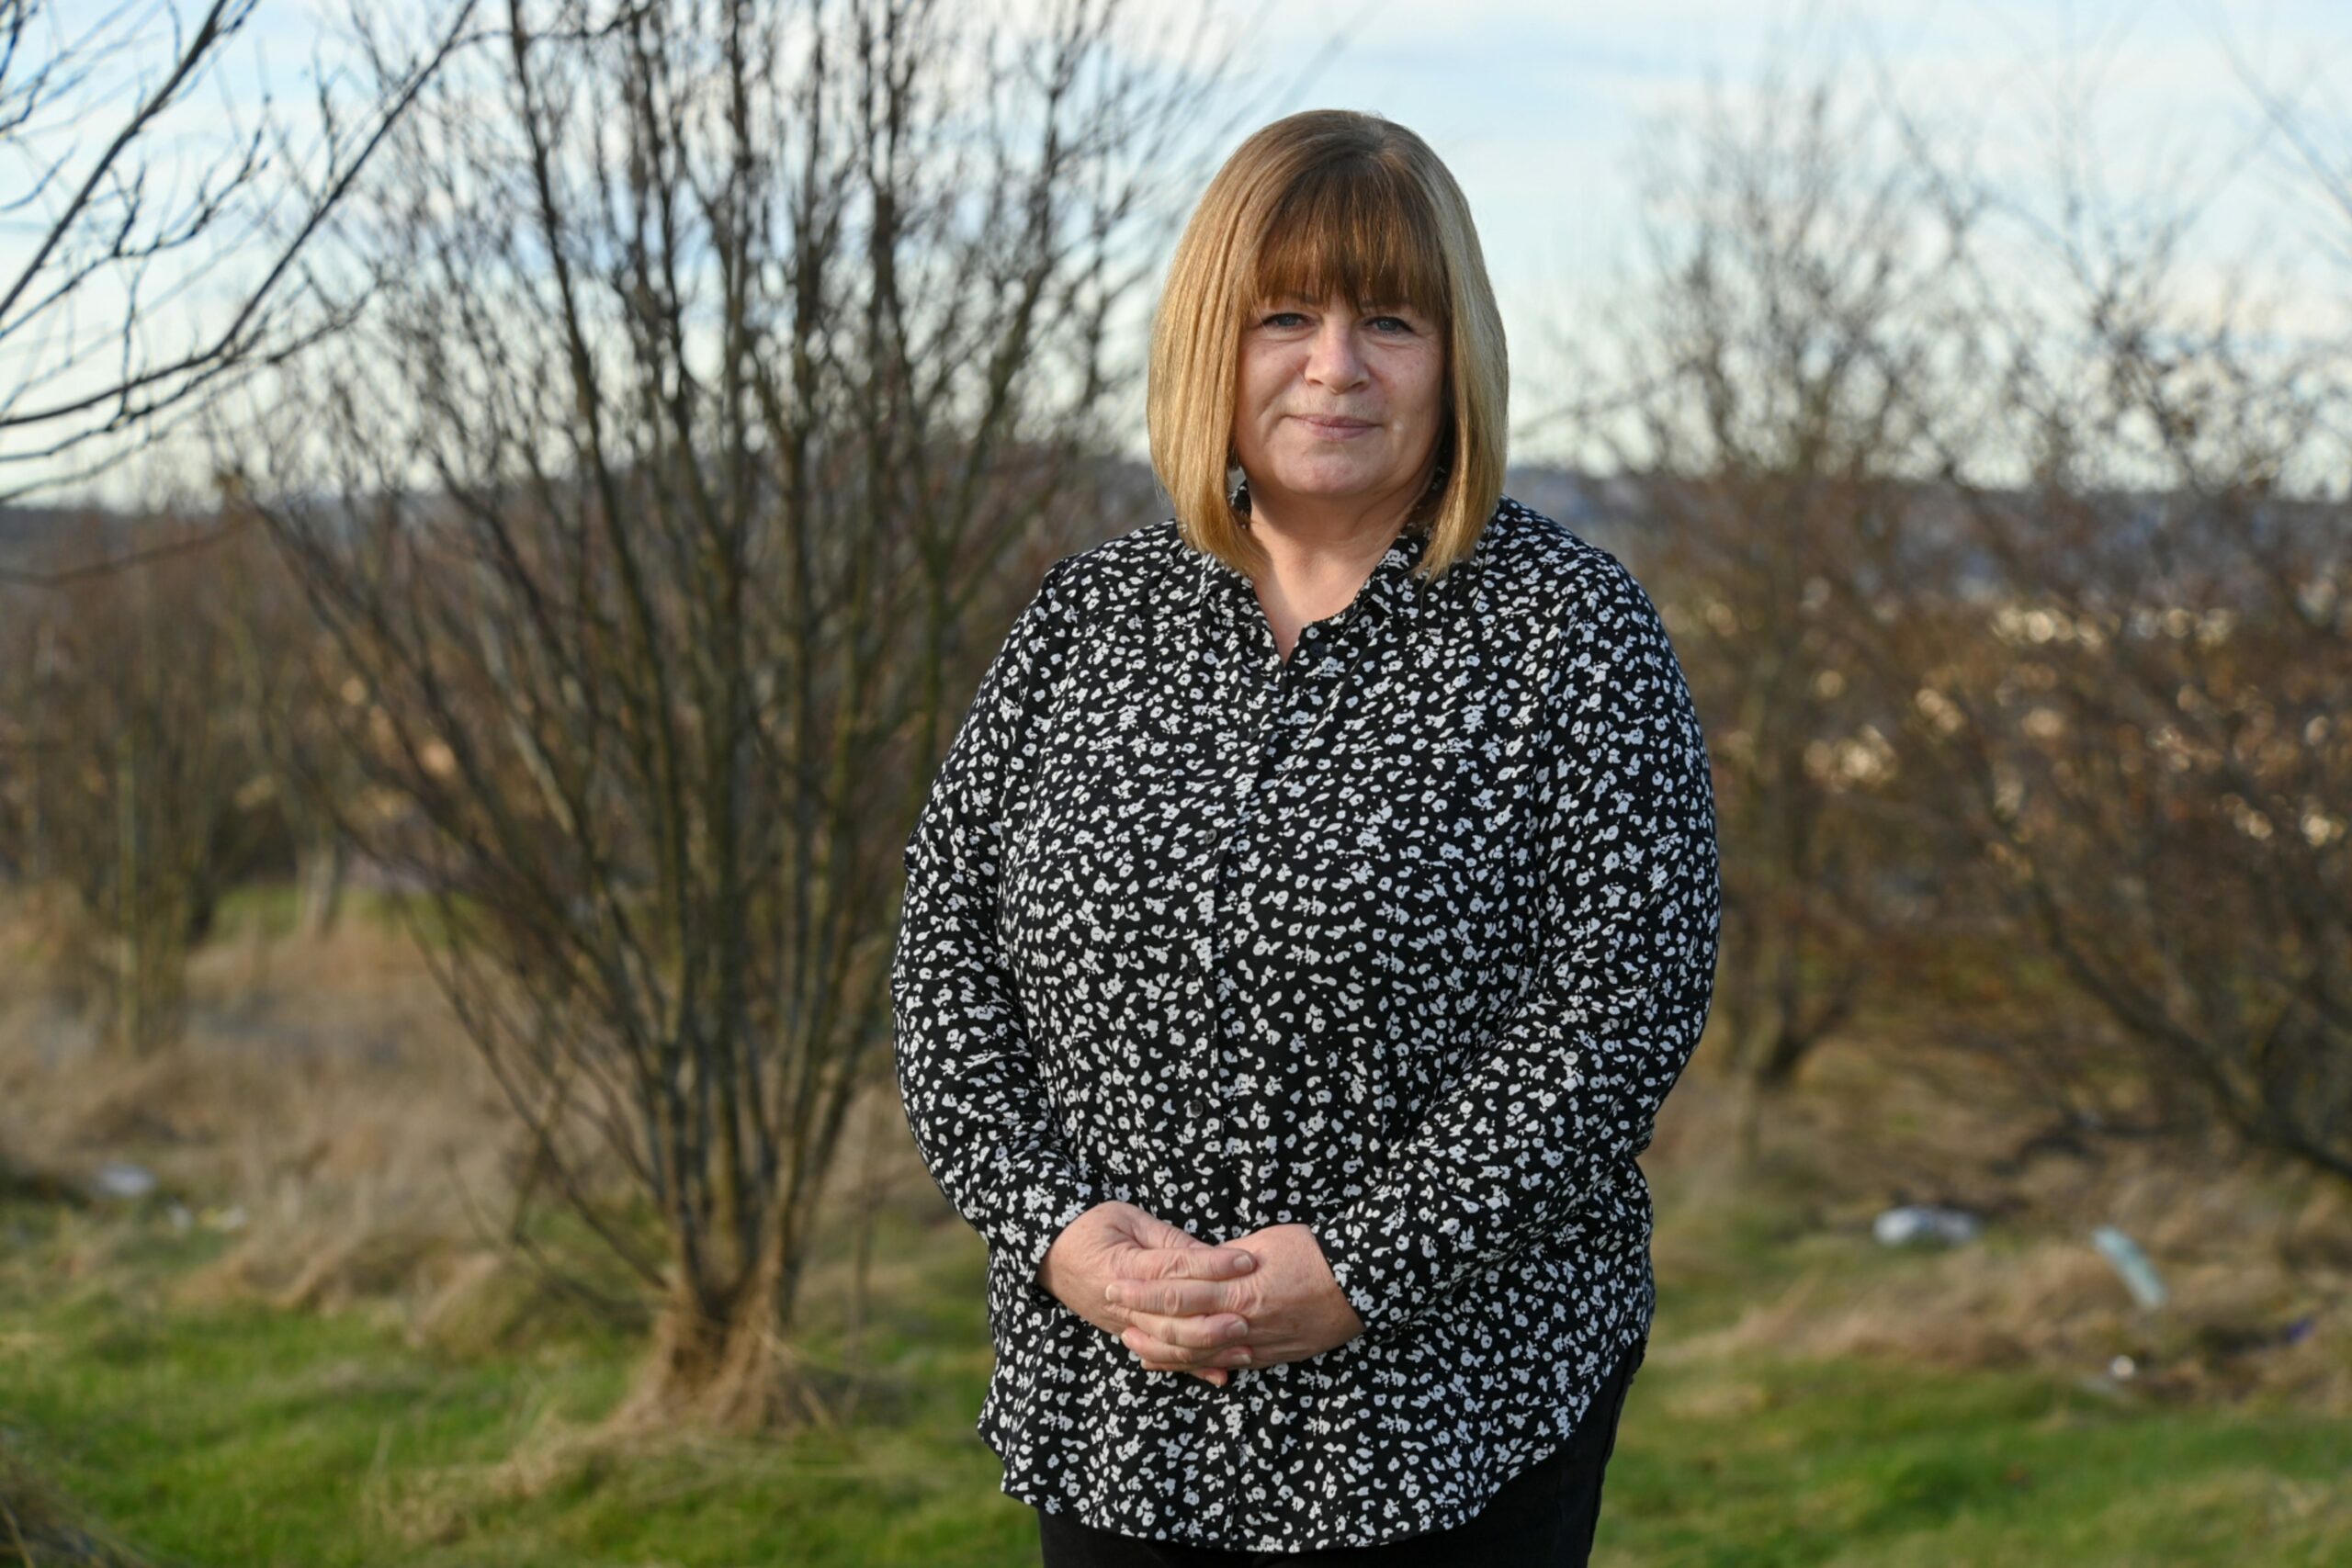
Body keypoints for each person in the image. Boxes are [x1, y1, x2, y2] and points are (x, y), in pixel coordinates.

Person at [890, 108, 1721, 1564]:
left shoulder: (1574, 635)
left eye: (1389, 320)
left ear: (1454, 358)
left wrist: (1362, 1266)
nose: (1336, 366)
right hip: (1120, 1410)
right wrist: (1061, 1235)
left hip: (1450, 1413)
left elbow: (1621, 1010)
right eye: (1288, 315)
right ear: (1215, 340)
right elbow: (944, 971)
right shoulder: (1086, 624)